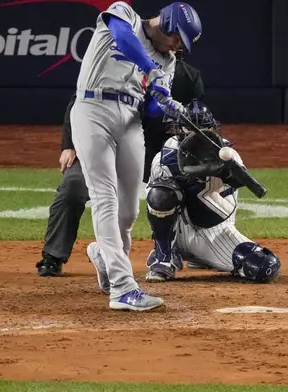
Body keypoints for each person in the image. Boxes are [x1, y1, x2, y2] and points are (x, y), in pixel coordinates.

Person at [70, 1, 202, 311]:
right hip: (92, 109)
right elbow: (124, 39)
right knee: (105, 198)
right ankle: (122, 287)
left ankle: (104, 256)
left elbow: (153, 108)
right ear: (166, 23)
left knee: (129, 208)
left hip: (129, 120)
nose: (177, 45)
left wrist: (165, 103)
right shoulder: (124, 14)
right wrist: (152, 72)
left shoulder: (167, 60)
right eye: (177, 37)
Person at [35, 48, 205, 279]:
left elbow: (197, 120)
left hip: (153, 153)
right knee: (73, 186)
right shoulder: (120, 65)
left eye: (177, 46)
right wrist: (69, 144)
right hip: (105, 141)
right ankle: (53, 256)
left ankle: (180, 251)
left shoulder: (187, 77)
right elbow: (80, 100)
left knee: (186, 184)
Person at [143, 102, 282, 283]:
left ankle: (202, 259)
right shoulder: (164, 158)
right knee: (160, 194)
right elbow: (155, 204)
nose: (198, 133)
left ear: (213, 128)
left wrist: (225, 170)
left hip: (217, 233)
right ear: (178, 130)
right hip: (178, 235)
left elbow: (237, 185)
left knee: (265, 266)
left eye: (204, 127)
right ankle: (164, 256)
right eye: (191, 128)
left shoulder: (225, 153)